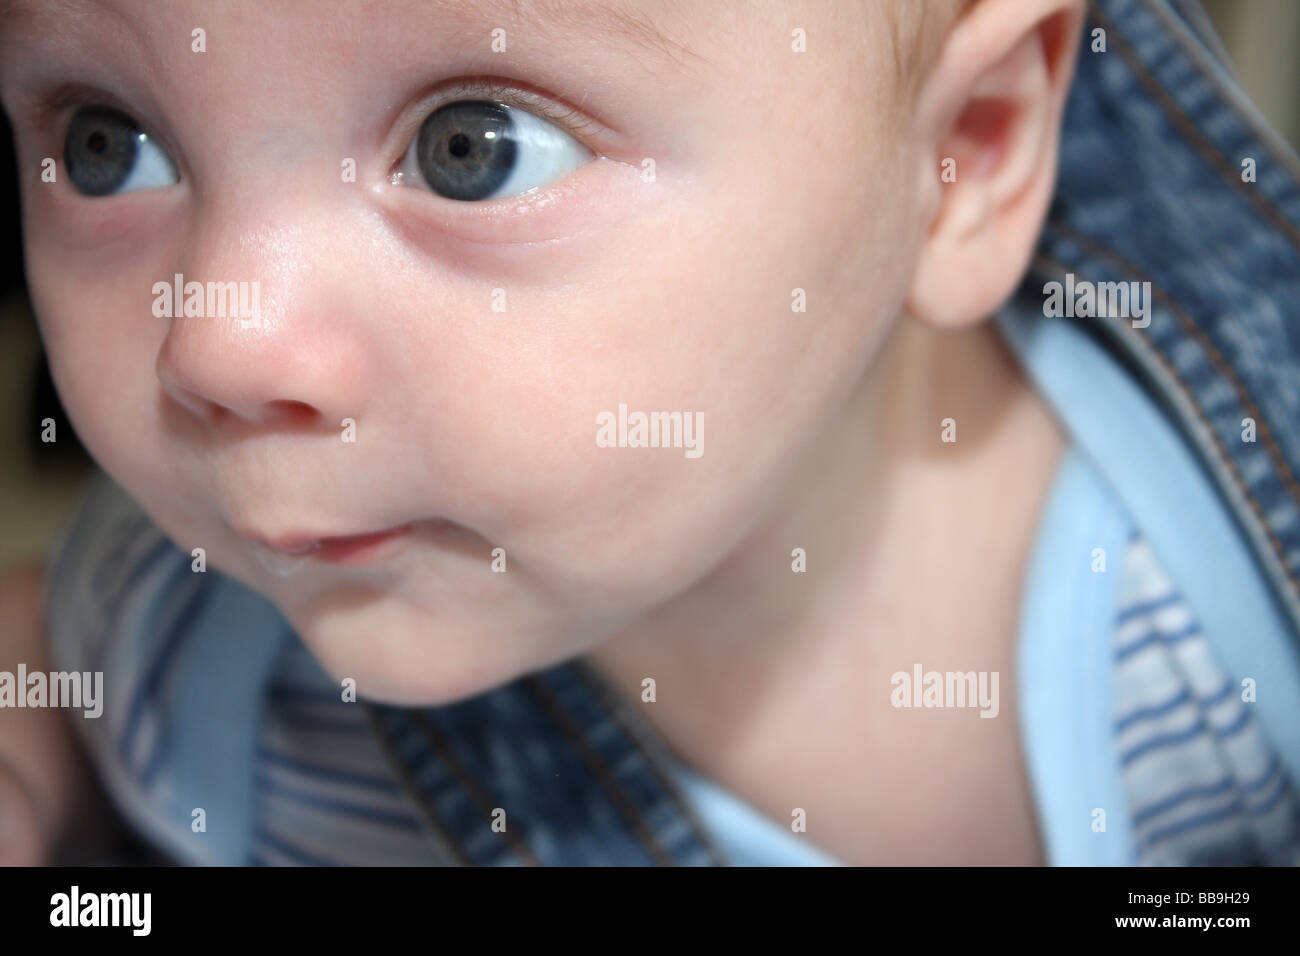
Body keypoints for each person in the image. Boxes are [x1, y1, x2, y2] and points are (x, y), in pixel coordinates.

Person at [0, 0, 1297, 866]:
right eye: (110, 145)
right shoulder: (200, 661)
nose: (216, 348)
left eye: (473, 150)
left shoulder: (1231, 608)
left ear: (964, 148)